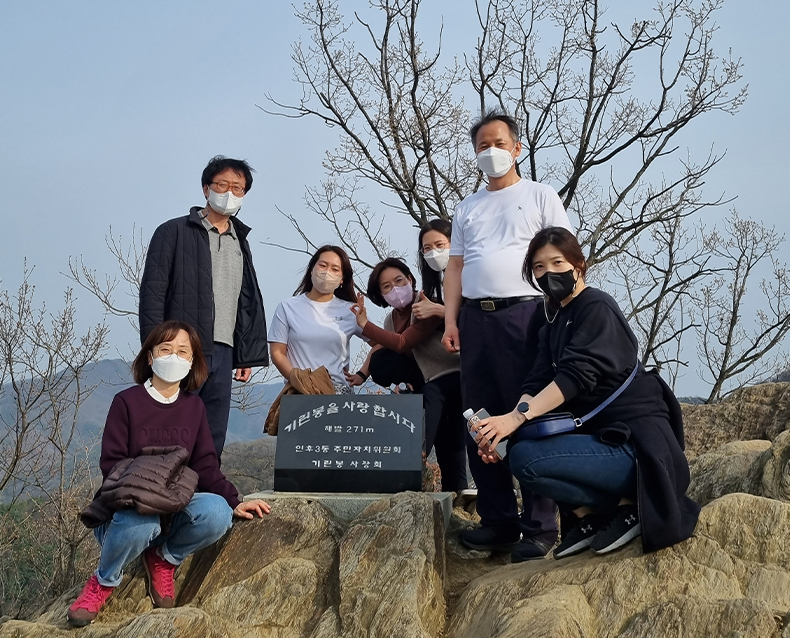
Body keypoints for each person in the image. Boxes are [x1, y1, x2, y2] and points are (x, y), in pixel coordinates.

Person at [473, 227, 700, 560]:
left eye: (557, 262)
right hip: (602, 442)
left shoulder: (596, 307)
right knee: (517, 451)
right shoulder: (554, 322)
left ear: (578, 265)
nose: (547, 273)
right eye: (538, 267)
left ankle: (630, 506)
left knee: (526, 457)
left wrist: (515, 419)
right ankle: (589, 518)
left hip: (636, 446)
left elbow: (574, 378)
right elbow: (536, 383)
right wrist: (503, 431)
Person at [68, 321, 270, 627]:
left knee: (217, 513)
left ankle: (164, 559)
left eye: (182, 352)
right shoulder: (127, 402)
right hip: (125, 509)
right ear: (150, 357)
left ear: (192, 362)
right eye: (165, 349)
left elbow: (204, 464)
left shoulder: (194, 408)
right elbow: (112, 463)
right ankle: (104, 581)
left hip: (172, 504)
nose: (173, 357)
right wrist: (149, 489)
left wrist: (234, 500)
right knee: (140, 522)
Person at [442, 110, 573, 559]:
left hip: (528, 314)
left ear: (517, 147)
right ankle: (497, 519)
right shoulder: (467, 207)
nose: (491, 152)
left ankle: (539, 526)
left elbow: (563, 255)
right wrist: (451, 320)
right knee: (477, 416)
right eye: (482, 145)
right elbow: (455, 267)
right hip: (476, 319)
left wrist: (563, 311)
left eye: (499, 143)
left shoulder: (540, 195)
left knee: (529, 411)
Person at [139, 156, 268, 462]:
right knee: (170, 426)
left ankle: (205, 498)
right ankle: (161, 494)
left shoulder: (241, 241)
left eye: (238, 188)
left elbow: (243, 299)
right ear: (206, 188)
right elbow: (152, 294)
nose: (230, 193)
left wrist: (243, 352)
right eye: (223, 185)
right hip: (182, 350)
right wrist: (155, 350)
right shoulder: (173, 232)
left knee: (212, 432)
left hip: (225, 351)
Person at [350, 240, 468, 492]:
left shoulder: (423, 304)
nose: (395, 288)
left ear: (411, 280)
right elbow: (380, 347)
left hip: (449, 373)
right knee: (383, 362)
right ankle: (435, 482)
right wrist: (362, 373)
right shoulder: (391, 318)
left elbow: (403, 343)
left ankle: (423, 469)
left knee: (440, 434)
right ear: (381, 295)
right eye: (387, 286)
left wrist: (364, 325)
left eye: (399, 281)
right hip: (427, 378)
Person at [268, 245, 364, 394]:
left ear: (341, 279)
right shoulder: (288, 307)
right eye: (323, 265)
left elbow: (379, 343)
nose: (327, 272)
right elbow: (277, 352)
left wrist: (362, 375)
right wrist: (299, 381)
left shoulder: (350, 310)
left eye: (335, 269)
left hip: (338, 393)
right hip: (299, 392)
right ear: (312, 269)